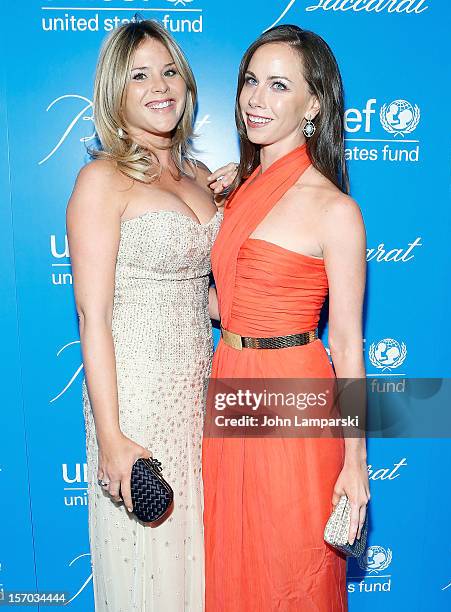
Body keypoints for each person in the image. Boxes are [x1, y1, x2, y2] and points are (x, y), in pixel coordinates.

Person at [203, 25, 370, 611]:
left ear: (314, 104)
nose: (256, 99)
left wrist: (355, 462)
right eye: (251, 81)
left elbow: (348, 344)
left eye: (279, 85)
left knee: (287, 566)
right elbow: (221, 301)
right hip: (229, 380)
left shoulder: (335, 210)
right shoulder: (235, 192)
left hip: (294, 396)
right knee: (232, 556)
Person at [66, 19, 231, 611]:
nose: (159, 86)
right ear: (116, 91)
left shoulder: (200, 179)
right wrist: (111, 438)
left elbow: (209, 294)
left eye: (169, 71)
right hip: (135, 397)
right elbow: (92, 317)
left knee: (204, 560)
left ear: (186, 84)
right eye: (139, 75)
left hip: (200, 390)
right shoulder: (100, 180)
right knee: (150, 570)